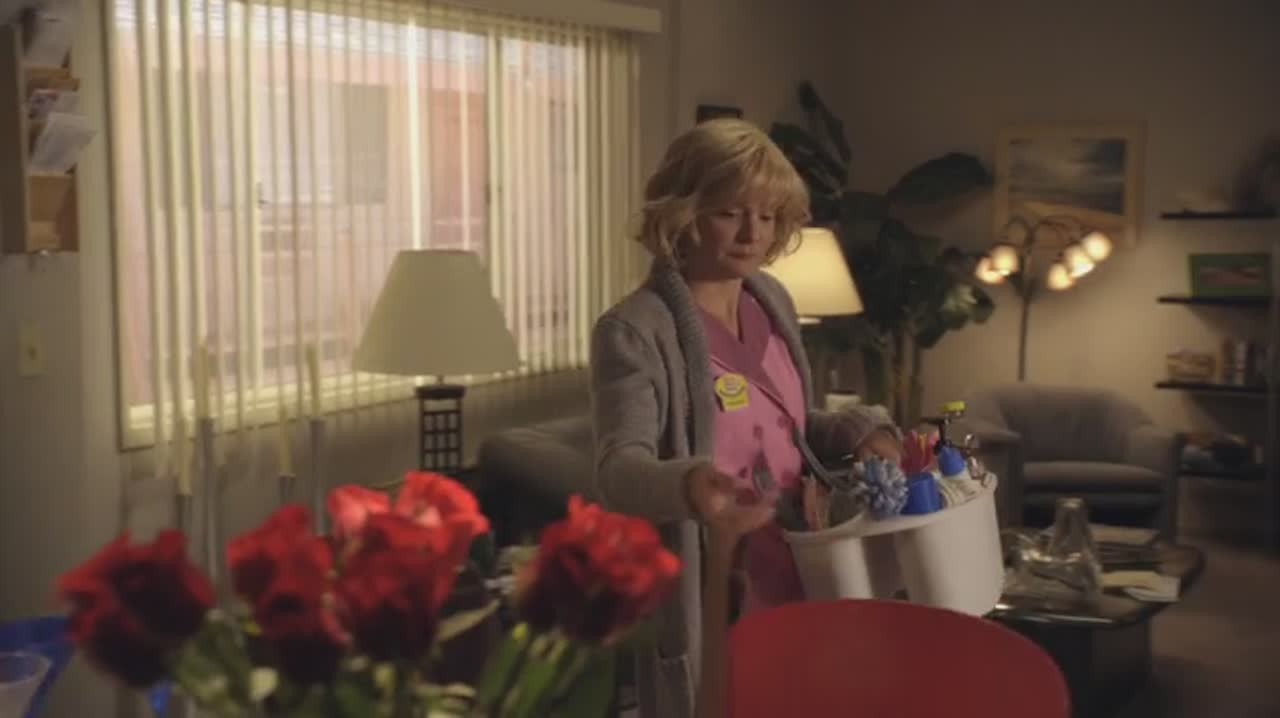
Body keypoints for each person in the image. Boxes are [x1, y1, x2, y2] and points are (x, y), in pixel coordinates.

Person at [589, 118, 902, 718]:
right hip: (719, 590)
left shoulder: (771, 300)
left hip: (803, 568)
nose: (753, 232)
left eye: (767, 214)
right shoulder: (635, 330)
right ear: (682, 213)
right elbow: (618, 470)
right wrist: (688, 484)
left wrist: (865, 430)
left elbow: (789, 428)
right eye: (730, 213)